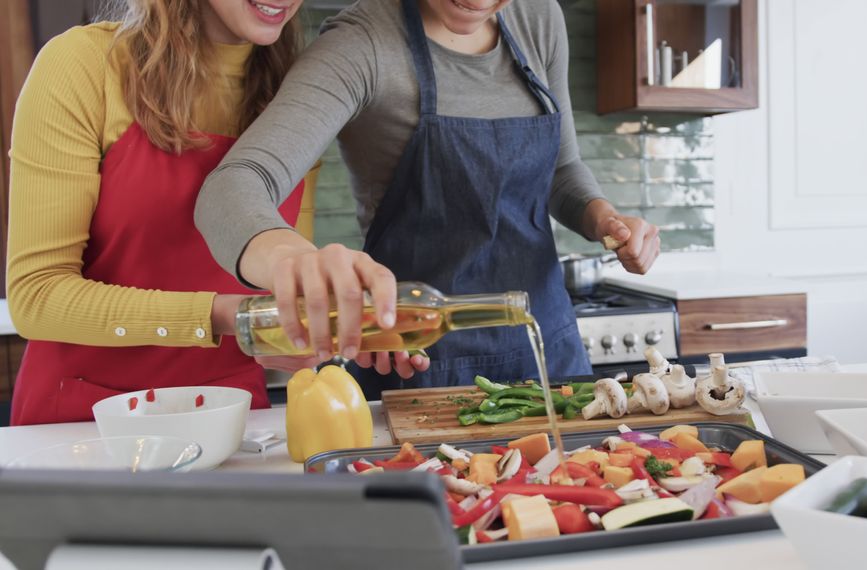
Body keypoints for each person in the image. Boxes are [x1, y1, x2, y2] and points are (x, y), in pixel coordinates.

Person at [195, 0, 661, 398]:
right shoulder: (362, 43)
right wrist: (292, 260)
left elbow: (562, 170)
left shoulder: (538, 19)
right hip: (416, 363)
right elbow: (234, 185)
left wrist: (606, 220)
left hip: (547, 345)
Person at [6, 0, 318, 425]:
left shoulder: (301, 101)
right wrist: (226, 317)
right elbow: (36, 297)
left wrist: (339, 326)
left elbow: (281, 297)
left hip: (235, 422)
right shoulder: (84, 66)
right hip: (85, 426)